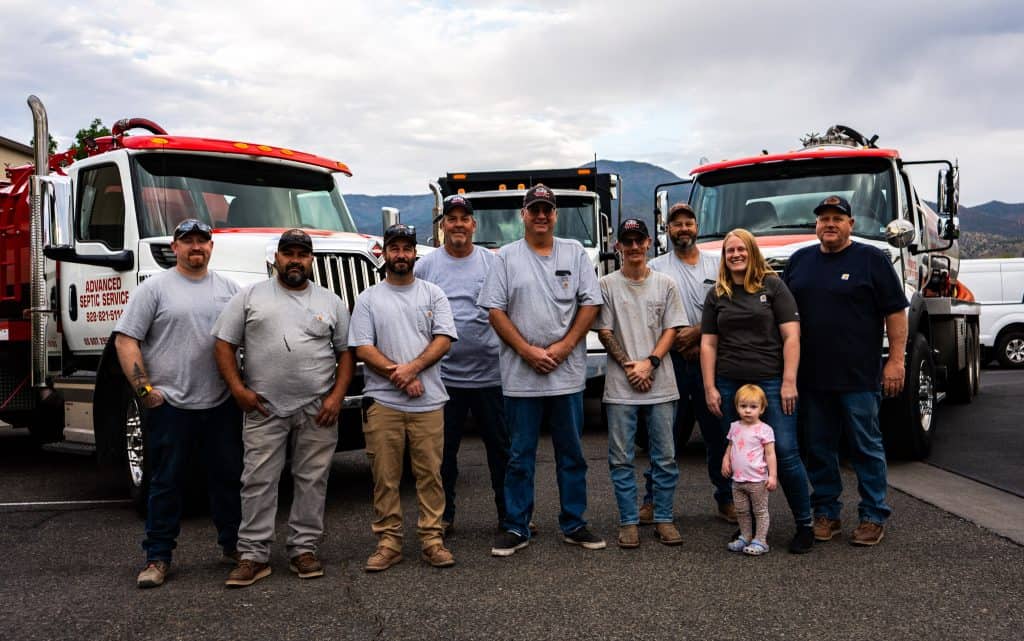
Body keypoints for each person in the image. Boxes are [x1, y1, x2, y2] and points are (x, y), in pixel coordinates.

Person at [213, 229, 353, 587]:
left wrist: (336, 398)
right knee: (257, 480)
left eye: (302, 255)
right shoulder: (250, 297)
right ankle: (253, 555)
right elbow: (224, 344)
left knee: (312, 480)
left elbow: (346, 354)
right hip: (263, 407)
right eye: (288, 253)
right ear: (276, 258)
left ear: (311, 260)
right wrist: (238, 390)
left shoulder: (331, 301)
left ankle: (304, 549)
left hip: (318, 408)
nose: (295, 260)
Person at [115, 218, 243, 589]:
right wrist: (144, 391)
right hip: (171, 406)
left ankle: (234, 546)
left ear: (211, 247)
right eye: (187, 241)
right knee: (166, 483)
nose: (195, 247)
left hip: (220, 404)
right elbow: (126, 340)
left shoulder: (230, 290)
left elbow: (247, 338)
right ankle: (157, 557)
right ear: (175, 248)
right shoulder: (154, 289)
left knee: (228, 479)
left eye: (202, 241)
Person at [478, 183, 605, 556]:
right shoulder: (505, 258)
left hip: (566, 375)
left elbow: (590, 303)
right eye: (534, 209)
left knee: (572, 454)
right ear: (523, 214)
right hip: (521, 376)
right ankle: (516, 526)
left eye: (547, 209)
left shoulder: (574, 252)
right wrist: (526, 351)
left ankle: (574, 523)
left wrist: (564, 347)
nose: (541, 215)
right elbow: (495, 311)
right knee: (519, 456)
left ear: (555, 215)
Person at [783, 195, 908, 547]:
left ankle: (873, 515)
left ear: (851, 224)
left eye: (837, 218)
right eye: (824, 219)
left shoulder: (872, 260)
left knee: (865, 447)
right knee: (819, 448)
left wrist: (896, 360)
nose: (830, 224)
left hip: (859, 376)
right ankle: (826, 512)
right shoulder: (799, 261)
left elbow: (895, 313)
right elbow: (782, 314)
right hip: (812, 378)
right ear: (816, 225)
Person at [350, 223, 458, 571]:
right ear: (384, 253)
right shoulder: (369, 299)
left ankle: (432, 540)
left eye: (406, 248)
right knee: (385, 477)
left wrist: (412, 369)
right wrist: (400, 376)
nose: (401, 255)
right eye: (394, 248)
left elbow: (443, 339)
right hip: (383, 402)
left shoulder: (433, 294)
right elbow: (363, 348)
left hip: (429, 402)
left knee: (430, 476)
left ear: (415, 254)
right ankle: (388, 542)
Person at [700, 228, 814, 553]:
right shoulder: (717, 294)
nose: (735, 255)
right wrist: (709, 386)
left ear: (752, 252)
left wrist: (789, 381)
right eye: (730, 251)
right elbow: (708, 344)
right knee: (739, 456)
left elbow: (792, 336)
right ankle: (748, 527)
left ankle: (805, 524)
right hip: (729, 384)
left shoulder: (773, 286)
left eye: (741, 249)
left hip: (771, 382)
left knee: (786, 452)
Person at [414, 195, 510, 535]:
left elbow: (507, 308)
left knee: (501, 452)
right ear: (443, 226)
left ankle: (510, 516)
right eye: (451, 218)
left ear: (474, 225)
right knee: (443, 455)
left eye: (463, 218)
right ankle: (444, 516)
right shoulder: (426, 266)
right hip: (443, 379)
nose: (458, 224)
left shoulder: (492, 263)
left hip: (491, 377)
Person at [595, 218, 687, 548]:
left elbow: (672, 329)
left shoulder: (666, 284)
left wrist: (650, 364)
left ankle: (664, 518)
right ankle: (628, 522)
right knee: (621, 459)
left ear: (649, 242)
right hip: (621, 387)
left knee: (665, 457)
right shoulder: (606, 285)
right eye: (627, 241)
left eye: (639, 240)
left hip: (661, 383)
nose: (634, 246)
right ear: (618, 245)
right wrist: (630, 367)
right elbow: (604, 331)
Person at [648, 202, 736, 524]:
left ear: (697, 227)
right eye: (676, 224)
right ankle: (652, 500)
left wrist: (699, 335)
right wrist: (677, 340)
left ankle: (727, 498)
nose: (683, 228)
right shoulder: (656, 266)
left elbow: (730, 307)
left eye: (688, 223)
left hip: (709, 359)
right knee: (664, 433)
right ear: (667, 230)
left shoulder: (717, 264)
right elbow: (651, 313)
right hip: (670, 359)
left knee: (718, 432)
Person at [722, 384, 778, 556]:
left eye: (753, 407)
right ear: (737, 407)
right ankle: (745, 536)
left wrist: (773, 475)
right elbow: (730, 446)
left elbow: (770, 454)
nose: (747, 410)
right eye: (743, 406)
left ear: (762, 409)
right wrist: (725, 460)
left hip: (758, 480)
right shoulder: (734, 427)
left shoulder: (765, 430)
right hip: (738, 480)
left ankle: (761, 540)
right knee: (741, 511)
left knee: (760, 511)